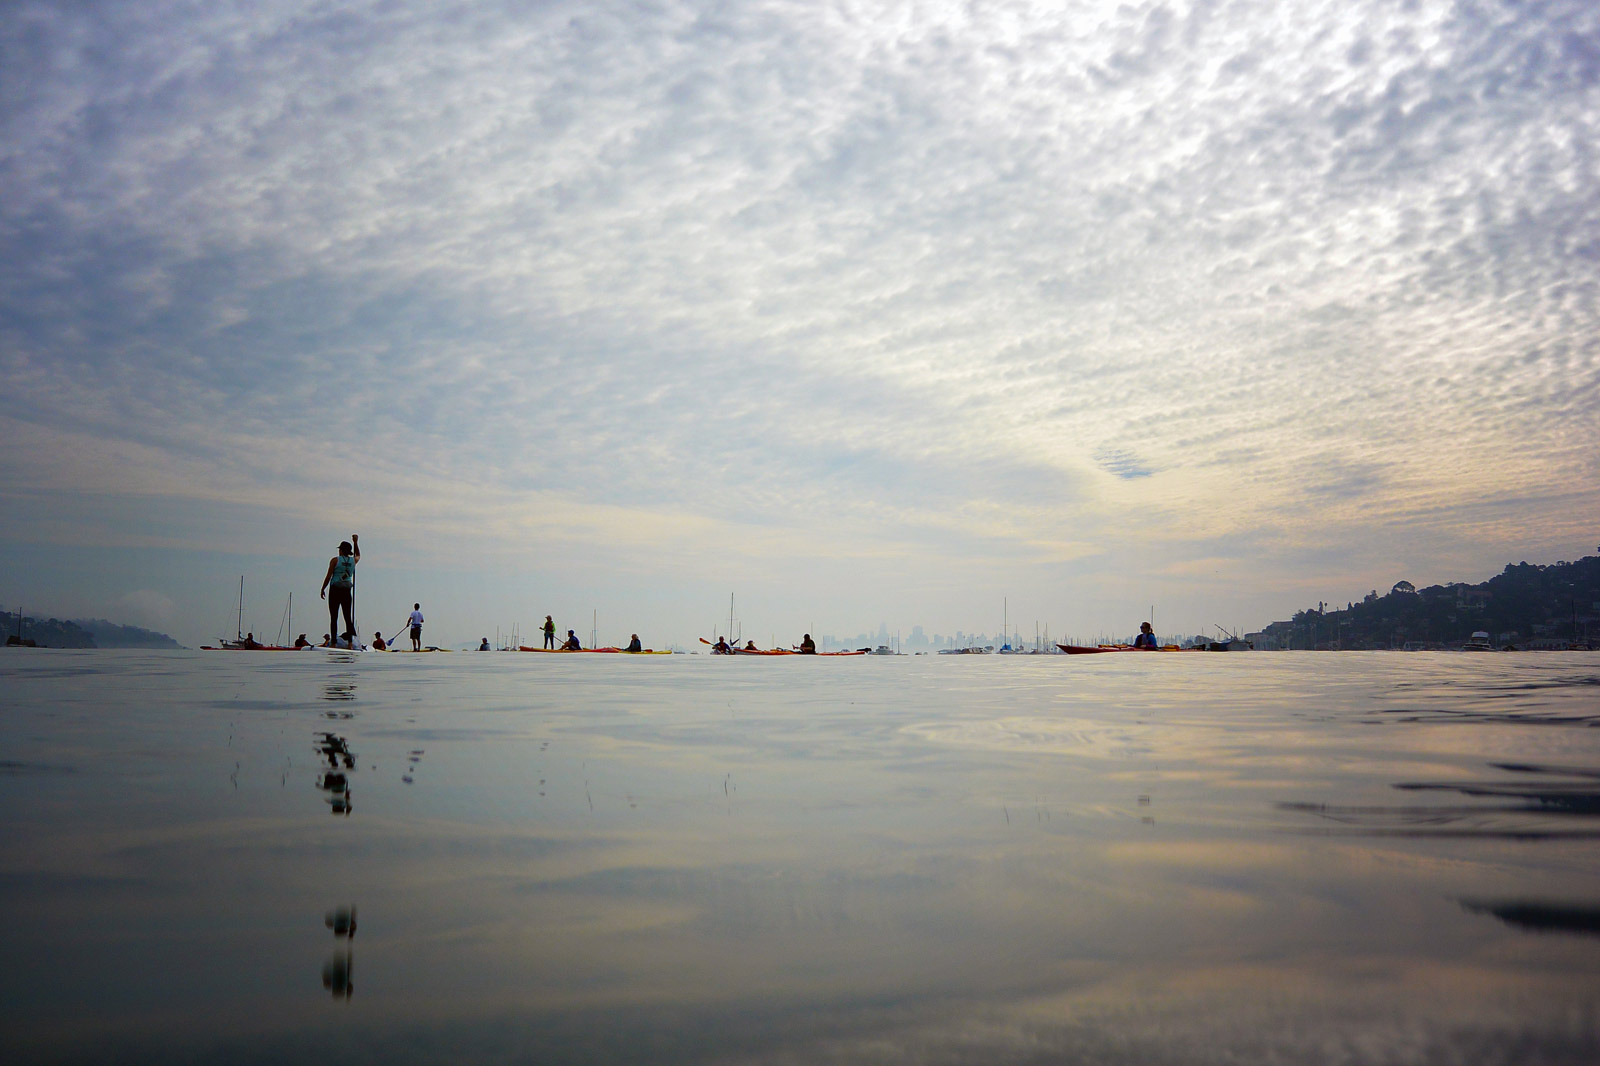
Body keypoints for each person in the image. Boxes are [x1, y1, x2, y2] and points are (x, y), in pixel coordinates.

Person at [320, 535, 360, 647]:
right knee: (348, 617)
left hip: (335, 590)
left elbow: (328, 576)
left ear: (341, 550)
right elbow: (358, 555)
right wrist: (356, 542)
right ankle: (350, 643)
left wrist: (323, 588)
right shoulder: (353, 560)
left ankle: (333, 643)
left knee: (334, 617)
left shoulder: (335, 560)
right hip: (347, 590)